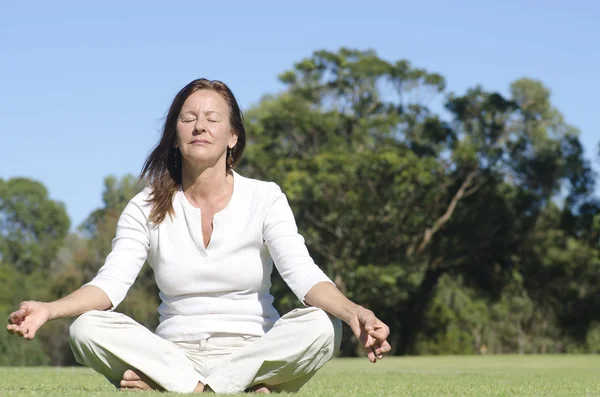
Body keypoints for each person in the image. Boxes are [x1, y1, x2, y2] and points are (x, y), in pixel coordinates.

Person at [6, 78, 391, 394]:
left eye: (212, 118)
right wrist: (50, 309)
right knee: (86, 328)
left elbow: (304, 277)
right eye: (188, 118)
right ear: (175, 136)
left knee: (325, 325)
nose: (200, 126)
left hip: (254, 349)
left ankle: (186, 388)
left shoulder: (265, 197)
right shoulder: (145, 207)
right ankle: (217, 387)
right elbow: (109, 286)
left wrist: (355, 312)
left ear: (233, 137)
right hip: (173, 353)